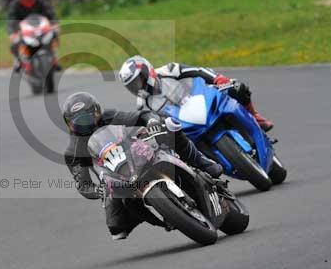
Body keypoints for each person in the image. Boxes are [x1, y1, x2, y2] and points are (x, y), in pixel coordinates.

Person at [63, 92, 223, 241]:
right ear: (69, 125)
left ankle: (203, 163)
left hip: (137, 152)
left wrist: (152, 122)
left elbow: (141, 115)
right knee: (116, 227)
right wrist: (98, 190)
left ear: (97, 112)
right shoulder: (73, 151)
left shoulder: (109, 117)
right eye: (78, 123)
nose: (84, 125)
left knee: (170, 127)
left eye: (87, 119)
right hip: (114, 177)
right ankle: (164, 216)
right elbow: (83, 185)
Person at [119, 56, 274, 131]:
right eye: (132, 85)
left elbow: (197, 71)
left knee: (238, 88)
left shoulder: (168, 70)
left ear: (147, 70)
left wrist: (218, 79)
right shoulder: (144, 105)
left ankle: (255, 117)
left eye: (138, 80)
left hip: (203, 98)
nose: (137, 86)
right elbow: (153, 122)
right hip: (186, 124)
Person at [7, 0, 59, 72]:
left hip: (41, 27)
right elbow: (11, 20)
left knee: (54, 34)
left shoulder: (41, 1)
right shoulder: (14, 5)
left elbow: (50, 13)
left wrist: (54, 24)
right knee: (14, 44)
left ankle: (53, 56)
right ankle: (19, 60)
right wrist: (12, 33)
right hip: (23, 29)